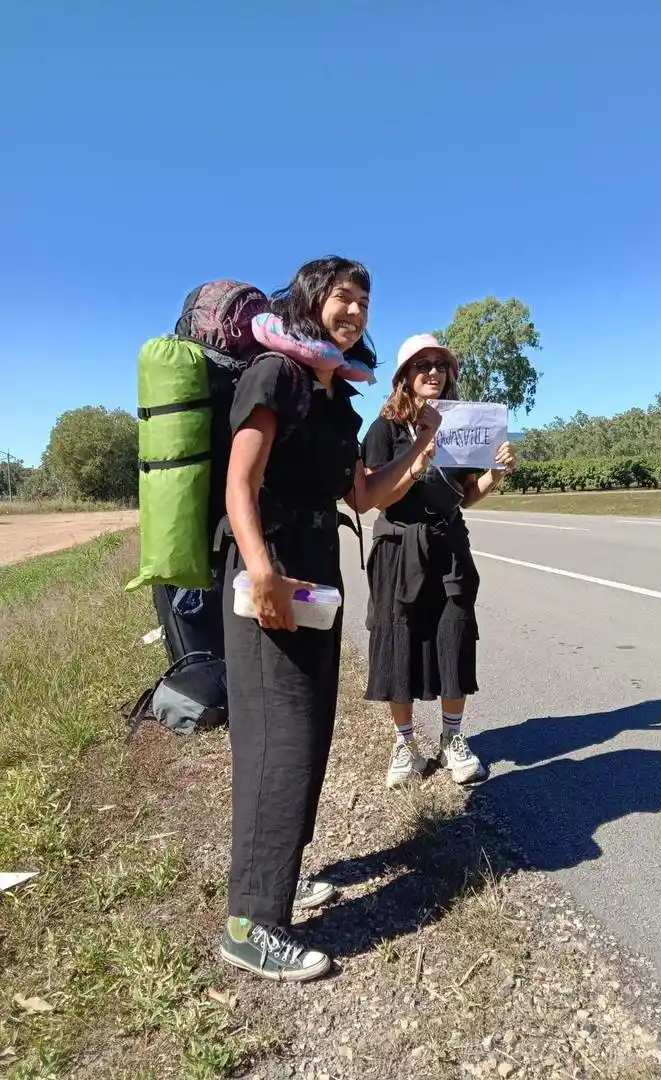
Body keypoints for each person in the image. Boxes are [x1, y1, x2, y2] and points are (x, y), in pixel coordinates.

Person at [219, 261, 441, 983]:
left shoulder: (338, 398)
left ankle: (279, 881)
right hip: (270, 577)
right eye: (345, 296)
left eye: (365, 301)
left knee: (309, 735)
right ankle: (252, 925)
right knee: (277, 741)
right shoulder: (276, 375)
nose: (355, 310)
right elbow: (239, 484)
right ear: (314, 299)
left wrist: (422, 446)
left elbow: (368, 494)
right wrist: (260, 571)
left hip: (315, 579)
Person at [361, 333, 516, 790]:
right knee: (398, 642)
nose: (433, 372)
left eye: (440, 365)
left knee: (454, 636)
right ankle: (405, 744)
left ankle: (451, 739)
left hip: (448, 545)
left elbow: (464, 497)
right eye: (422, 365)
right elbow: (374, 498)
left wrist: (495, 474)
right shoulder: (384, 429)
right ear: (404, 377)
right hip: (398, 548)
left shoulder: (462, 427)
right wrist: (417, 456)